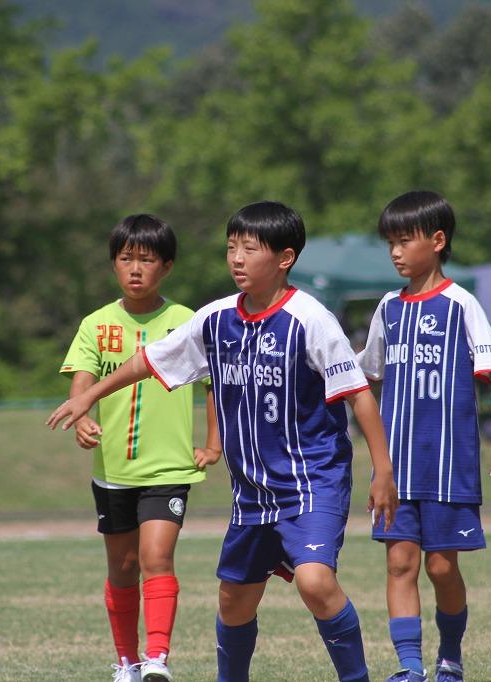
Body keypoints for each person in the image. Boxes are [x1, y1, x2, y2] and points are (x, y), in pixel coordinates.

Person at [48, 201, 399, 682]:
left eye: (250, 249)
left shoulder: (310, 319)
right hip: (251, 492)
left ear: (285, 258)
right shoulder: (215, 319)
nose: (236, 258)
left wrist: (383, 471)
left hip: (310, 481)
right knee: (233, 601)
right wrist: (88, 395)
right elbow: (148, 361)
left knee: (315, 581)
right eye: (232, 247)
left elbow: (358, 395)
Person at [357, 191, 491, 682]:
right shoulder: (388, 307)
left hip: (448, 465)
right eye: (390, 242)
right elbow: (366, 375)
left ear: (437, 240)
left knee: (441, 569)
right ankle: (410, 667)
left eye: (404, 241)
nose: (395, 252)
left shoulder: (460, 304)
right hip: (396, 466)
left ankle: (450, 654)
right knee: (399, 564)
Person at [58, 214, 221, 682]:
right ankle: (127, 662)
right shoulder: (96, 324)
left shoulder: (187, 322)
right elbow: (82, 382)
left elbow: (213, 385)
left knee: (156, 558)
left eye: (146, 260)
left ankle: (157, 660)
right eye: (126, 258)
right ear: (113, 263)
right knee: (123, 567)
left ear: (166, 267)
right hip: (113, 471)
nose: (135, 269)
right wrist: (81, 418)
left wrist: (213, 445)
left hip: (168, 468)